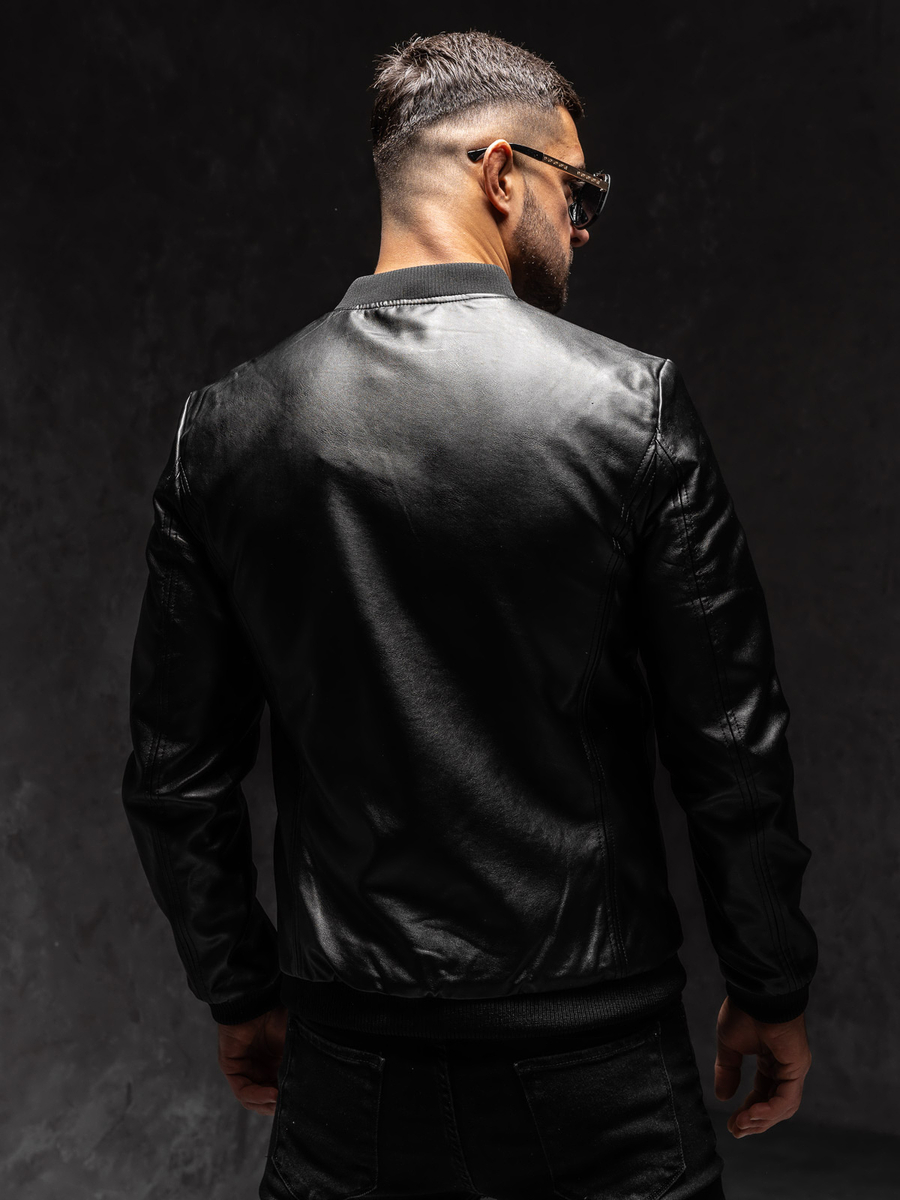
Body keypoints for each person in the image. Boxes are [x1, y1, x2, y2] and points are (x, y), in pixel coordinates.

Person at [121, 29, 818, 1200]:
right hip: (597, 1060)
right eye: (578, 190)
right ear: (501, 173)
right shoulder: (632, 407)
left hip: (351, 1065)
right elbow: (732, 745)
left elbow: (174, 777)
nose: (585, 225)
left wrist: (238, 989)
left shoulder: (226, 431)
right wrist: (771, 980)